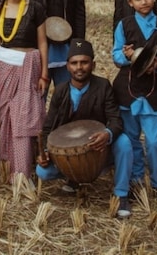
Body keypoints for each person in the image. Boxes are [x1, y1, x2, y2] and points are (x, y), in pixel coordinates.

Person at [36, 39, 134, 219]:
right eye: (74, 63)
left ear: (93, 64)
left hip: (100, 151)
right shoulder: (60, 91)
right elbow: (49, 126)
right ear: (67, 66)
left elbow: (116, 120)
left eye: (84, 62)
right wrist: (45, 152)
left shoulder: (103, 86)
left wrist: (107, 134)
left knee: (125, 143)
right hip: (71, 152)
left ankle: (121, 195)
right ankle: (73, 177)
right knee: (43, 172)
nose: (79, 67)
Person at [111, 0, 157, 199]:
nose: (144, 2)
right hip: (128, 90)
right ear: (130, 2)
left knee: (156, 141)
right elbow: (115, 54)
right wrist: (127, 56)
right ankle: (136, 177)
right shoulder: (124, 25)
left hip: (153, 90)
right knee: (130, 138)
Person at [0, 0, 49, 182]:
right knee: (5, 118)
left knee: (24, 120)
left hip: (29, 66)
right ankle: (8, 170)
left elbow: (43, 43)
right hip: (3, 69)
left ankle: (23, 173)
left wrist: (44, 73)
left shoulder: (35, 8)